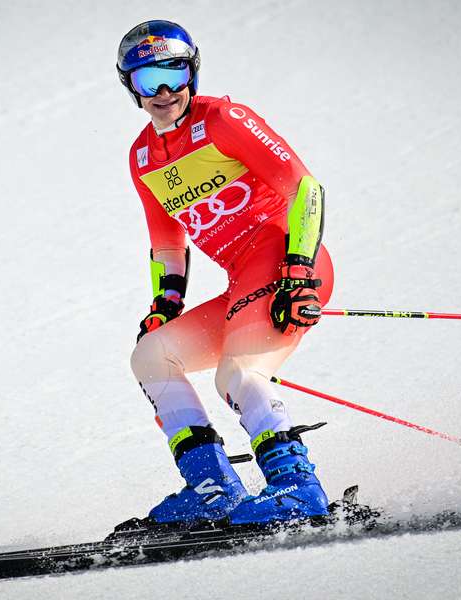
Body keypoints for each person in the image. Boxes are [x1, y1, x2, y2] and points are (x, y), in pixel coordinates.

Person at [117, 20, 334, 526]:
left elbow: (307, 190)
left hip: (285, 262)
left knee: (237, 374)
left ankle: (299, 491)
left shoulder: (224, 119)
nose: (164, 91)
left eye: (173, 72)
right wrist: (163, 307)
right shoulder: (142, 155)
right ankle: (213, 491)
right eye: (148, 80)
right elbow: (167, 241)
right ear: (131, 87)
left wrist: (298, 271)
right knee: (152, 356)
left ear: (192, 70)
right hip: (243, 279)